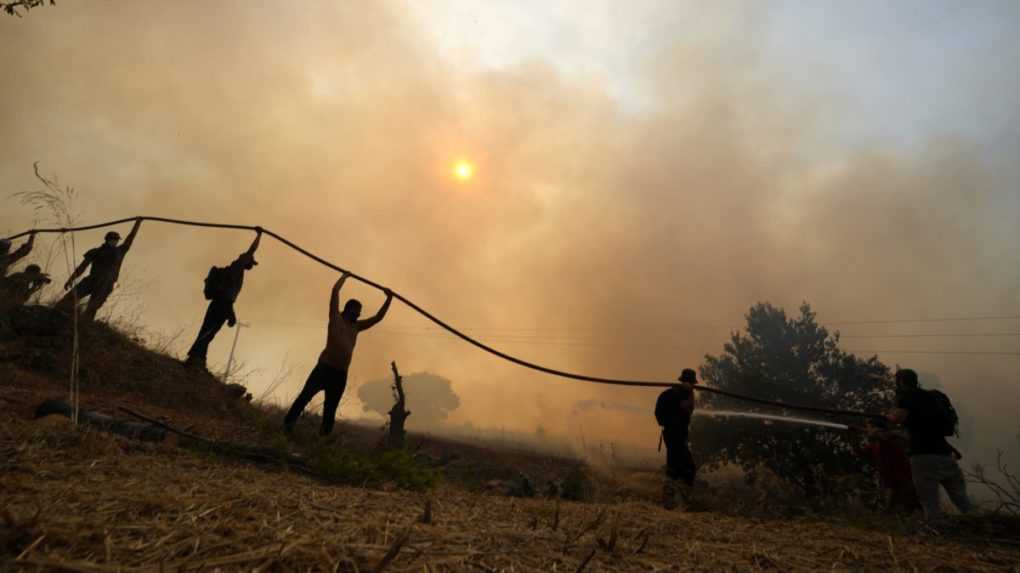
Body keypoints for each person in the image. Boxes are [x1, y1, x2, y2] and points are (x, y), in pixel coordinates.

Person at [283, 272, 393, 436]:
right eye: (357, 311)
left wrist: (388, 298)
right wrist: (344, 277)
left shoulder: (357, 327)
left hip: (340, 374)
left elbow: (377, 318)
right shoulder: (335, 318)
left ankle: (323, 439)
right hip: (324, 368)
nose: (359, 314)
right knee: (305, 397)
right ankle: (287, 426)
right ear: (349, 310)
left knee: (330, 408)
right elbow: (335, 292)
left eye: (360, 312)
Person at [887, 368, 971, 523]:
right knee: (963, 501)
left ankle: (938, 534)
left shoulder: (907, 398)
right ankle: (982, 526)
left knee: (930, 504)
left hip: (923, 458)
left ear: (901, 382)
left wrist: (892, 409)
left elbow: (895, 419)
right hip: (945, 456)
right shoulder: (934, 397)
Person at [184, 228, 263, 369]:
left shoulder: (235, 271)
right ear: (245, 260)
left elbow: (229, 297)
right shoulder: (237, 267)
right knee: (208, 332)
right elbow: (251, 250)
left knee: (209, 333)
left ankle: (199, 360)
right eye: (251, 261)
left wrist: (231, 314)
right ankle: (194, 360)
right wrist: (259, 236)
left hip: (222, 304)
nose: (252, 264)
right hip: (221, 304)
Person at [57, 219, 142, 321]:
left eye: (116, 240)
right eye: (113, 239)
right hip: (92, 279)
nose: (115, 242)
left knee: (92, 308)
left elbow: (130, 238)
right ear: (107, 239)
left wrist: (138, 223)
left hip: (106, 283)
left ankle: (85, 324)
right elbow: (82, 267)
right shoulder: (96, 251)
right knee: (70, 298)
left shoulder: (120, 251)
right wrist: (71, 279)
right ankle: (57, 315)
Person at [655, 368, 698, 509]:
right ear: (684, 382)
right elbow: (659, 415)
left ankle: (677, 500)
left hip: (680, 436)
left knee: (681, 469)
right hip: (673, 436)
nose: (692, 386)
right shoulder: (671, 395)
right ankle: (672, 501)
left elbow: (689, 409)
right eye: (690, 383)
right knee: (683, 468)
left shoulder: (686, 395)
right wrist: (671, 422)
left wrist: (690, 392)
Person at [857, 420, 919, 513]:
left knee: (908, 498)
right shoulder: (875, 442)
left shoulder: (888, 436)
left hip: (901, 473)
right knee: (891, 499)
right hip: (888, 474)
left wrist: (875, 433)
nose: (868, 429)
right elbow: (865, 451)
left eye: (869, 427)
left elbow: (885, 437)